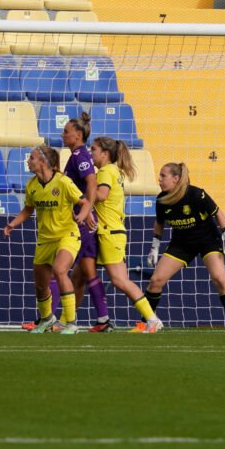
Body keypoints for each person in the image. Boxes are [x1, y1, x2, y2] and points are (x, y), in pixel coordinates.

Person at [144, 163, 225, 333]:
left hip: (208, 241)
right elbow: (159, 223)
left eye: (163, 176)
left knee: (220, 279)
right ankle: (145, 323)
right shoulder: (161, 199)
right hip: (181, 243)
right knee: (156, 281)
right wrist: (154, 247)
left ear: (176, 179)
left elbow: (218, 213)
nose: (159, 179)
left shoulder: (196, 194)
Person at [4, 146, 92, 335]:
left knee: (60, 271)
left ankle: (71, 323)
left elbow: (84, 202)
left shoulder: (63, 182)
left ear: (43, 162)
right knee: (41, 285)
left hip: (66, 235)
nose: (28, 161)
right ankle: (46, 319)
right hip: (45, 239)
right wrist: (13, 224)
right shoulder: (32, 185)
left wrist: (82, 216)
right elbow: (28, 209)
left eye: (32, 158)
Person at [89, 136, 163, 333]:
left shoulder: (105, 171)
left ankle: (152, 318)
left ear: (105, 153)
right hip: (113, 231)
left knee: (119, 280)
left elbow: (102, 195)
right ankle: (93, 319)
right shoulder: (114, 171)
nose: (91, 153)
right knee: (83, 273)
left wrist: (78, 194)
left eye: (94, 149)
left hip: (110, 232)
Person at [61, 112, 112, 332]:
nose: (63, 134)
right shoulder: (78, 155)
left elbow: (91, 182)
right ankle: (75, 319)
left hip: (81, 222)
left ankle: (99, 319)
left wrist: (86, 209)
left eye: (66, 131)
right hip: (81, 219)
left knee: (62, 269)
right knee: (79, 274)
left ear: (78, 135)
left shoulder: (79, 156)